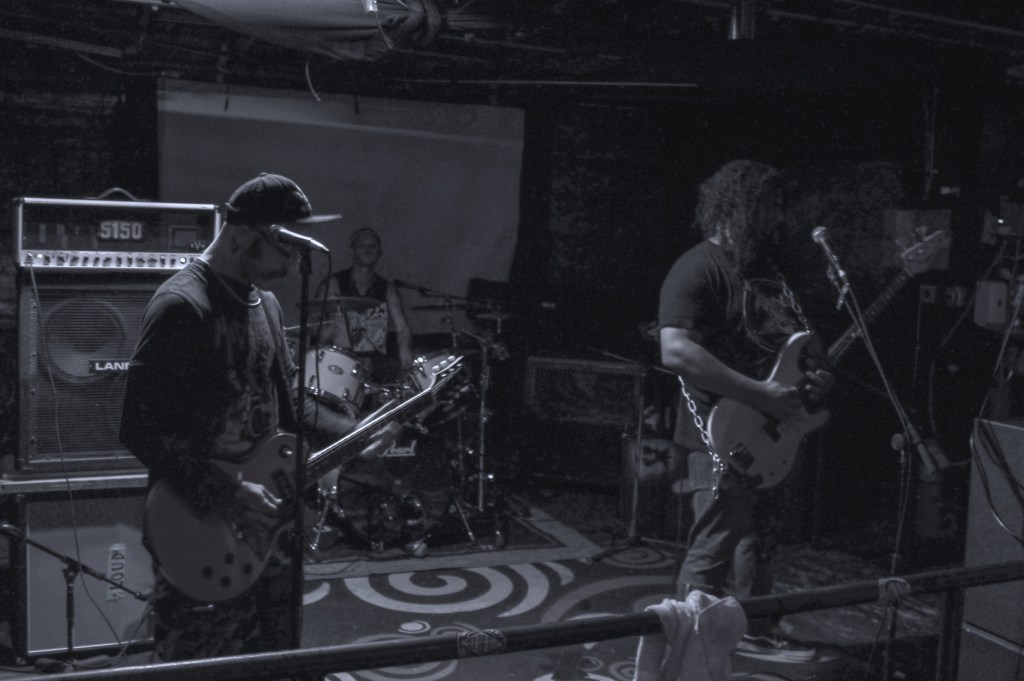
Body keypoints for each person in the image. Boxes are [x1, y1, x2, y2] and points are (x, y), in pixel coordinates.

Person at [120, 172, 366, 664]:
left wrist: (356, 433)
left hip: (268, 527)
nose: (293, 262)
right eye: (284, 247)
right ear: (238, 237)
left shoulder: (265, 305)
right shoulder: (182, 307)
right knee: (205, 666)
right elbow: (139, 429)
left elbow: (291, 403)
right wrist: (230, 493)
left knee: (276, 660)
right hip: (201, 525)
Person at [657, 160, 835, 658]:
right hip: (720, 430)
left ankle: (754, 630)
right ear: (740, 206)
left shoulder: (769, 273)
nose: (779, 218)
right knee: (713, 547)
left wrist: (816, 376)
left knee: (758, 541)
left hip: (771, 428)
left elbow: (795, 346)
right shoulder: (698, 267)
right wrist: (760, 394)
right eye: (770, 207)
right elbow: (676, 351)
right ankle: (685, 649)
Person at [314, 227, 414, 387]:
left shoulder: (387, 288)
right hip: (341, 359)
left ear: (379, 252)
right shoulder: (334, 282)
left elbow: (402, 328)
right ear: (353, 250)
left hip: (376, 362)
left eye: (372, 246)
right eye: (362, 246)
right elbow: (315, 323)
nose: (367, 250)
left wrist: (404, 348)